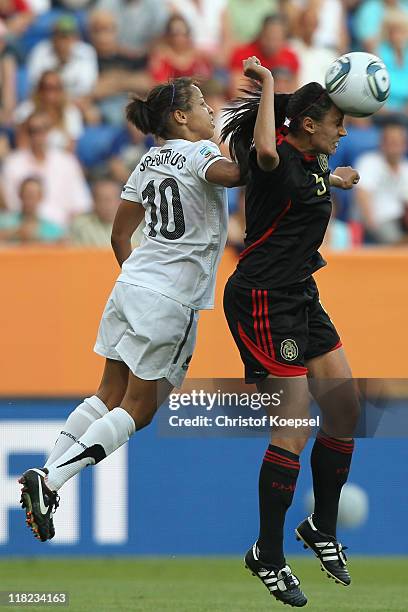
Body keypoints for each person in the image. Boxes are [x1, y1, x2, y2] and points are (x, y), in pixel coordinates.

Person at [18, 76, 242, 542]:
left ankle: (45, 471)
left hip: (130, 284)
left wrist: (138, 282)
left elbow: (120, 235)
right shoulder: (200, 153)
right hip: (171, 295)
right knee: (140, 408)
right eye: (201, 102)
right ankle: (53, 480)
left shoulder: (147, 162)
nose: (209, 108)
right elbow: (237, 174)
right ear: (180, 116)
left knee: (106, 392)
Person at [221, 57, 360, 606]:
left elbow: (310, 176)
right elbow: (268, 154)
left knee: (346, 409)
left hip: (301, 294)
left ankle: (321, 528)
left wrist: (336, 176)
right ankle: (268, 556)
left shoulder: (311, 161)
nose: (344, 131)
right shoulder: (274, 156)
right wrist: (274, 85)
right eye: (337, 123)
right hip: (262, 300)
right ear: (306, 124)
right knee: (294, 428)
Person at [1, 111, 91, 229]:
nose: (38, 135)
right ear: (26, 133)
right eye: (32, 130)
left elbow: (81, 204)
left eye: (42, 129)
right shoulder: (13, 163)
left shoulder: (67, 162)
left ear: (49, 132)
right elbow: (10, 204)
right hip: (23, 231)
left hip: (62, 233)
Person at [354, 120, 408, 244]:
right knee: (392, 237)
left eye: (398, 142)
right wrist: (371, 224)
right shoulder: (369, 162)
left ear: (404, 145)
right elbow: (362, 195)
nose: (394, 146)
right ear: (382, 144)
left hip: (400, 220)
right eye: (391, 142)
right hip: (379, 221)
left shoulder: (406, 167)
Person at [0, 176, 65, 244]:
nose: (29, 199)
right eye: (26, 194)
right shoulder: (5, 221)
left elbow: (63, 243)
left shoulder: (52, 229)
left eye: (33, 195)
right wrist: (16, 233)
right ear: (20, 195)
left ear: (41, 197)